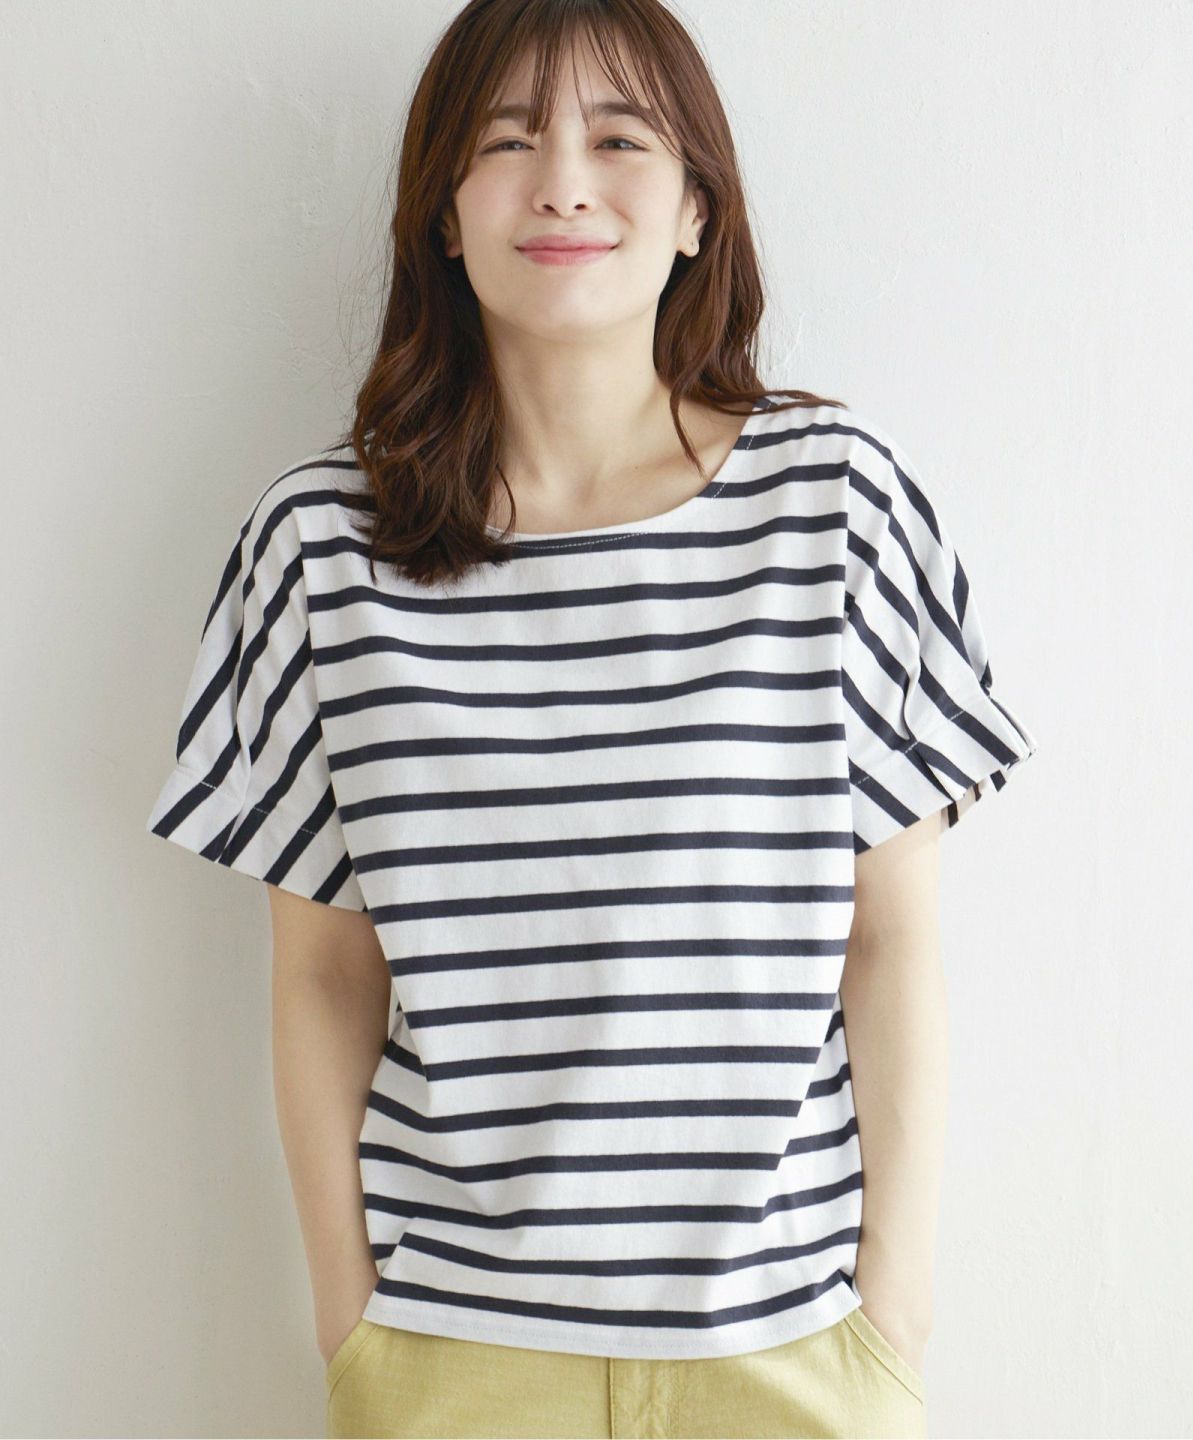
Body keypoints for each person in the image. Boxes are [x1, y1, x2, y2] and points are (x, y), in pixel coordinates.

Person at [144, 1, 1038, 1435]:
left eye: (619, 139)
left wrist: (896, 1309)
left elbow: (892, 939)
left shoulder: (837, 507)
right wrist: (349, 1318)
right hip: (451, 1358)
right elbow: (319, 975)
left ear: (696, 209)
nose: (563, 182)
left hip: (795, 1348)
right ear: (443, 213)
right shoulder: (319, 547)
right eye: (508, 141)